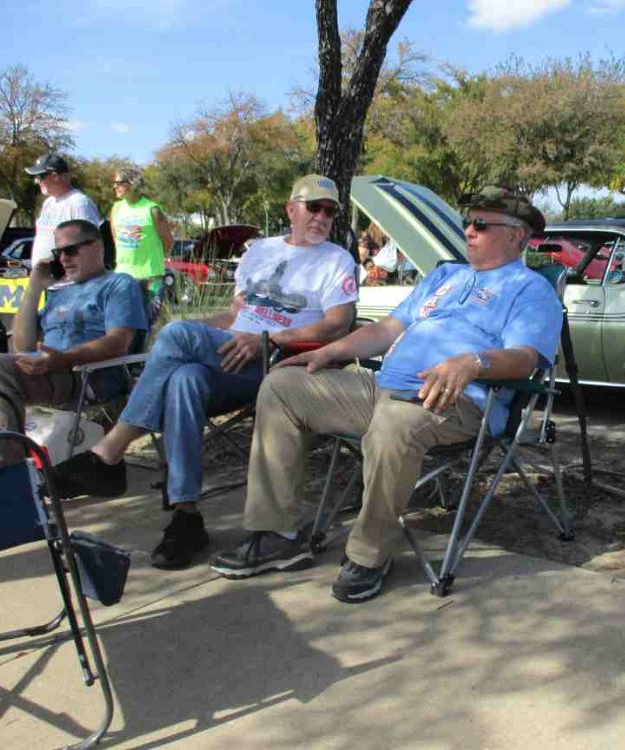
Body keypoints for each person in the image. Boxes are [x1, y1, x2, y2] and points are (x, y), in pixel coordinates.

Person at [210, 186, 563, 604]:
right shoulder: (446, 277)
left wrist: (474, 362)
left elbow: (525, 358)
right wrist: (329, 352)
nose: (468, 230)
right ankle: (278, 534)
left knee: (394, 423)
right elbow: (386, 330)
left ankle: (369, 555)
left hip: (454, 401)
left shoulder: (530, 289)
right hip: (383, 389)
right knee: (282, 386)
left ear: (516, 236)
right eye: (468, 221)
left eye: (481, 225)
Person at [53, 174, 358, 570]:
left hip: (279, 362)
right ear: (290, 209)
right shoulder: (259, 252)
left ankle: (109, 453)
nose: (321, 217)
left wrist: (268, 339)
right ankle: (186, 517)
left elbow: (337, 325)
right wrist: (188, 332)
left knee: (177, 336)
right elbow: (235, 316)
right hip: (230, 355)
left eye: (329, 211)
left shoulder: (336, 260)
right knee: (184, 377)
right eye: (313, 207)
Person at [0, 220, 147, 476]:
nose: (64, 259)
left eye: (71, 250)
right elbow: (23, 345)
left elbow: (118, 342)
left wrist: (63, 358)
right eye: (58, 253)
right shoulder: (61, 293)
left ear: (98, 247)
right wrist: (34, 287)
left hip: (85, 375)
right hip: (44, 367)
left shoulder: (119, 284)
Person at [110, 167, 174, 310]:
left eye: (119, 183)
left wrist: (156, 259)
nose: (115, 186)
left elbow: (168, 241)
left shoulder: (152, 209)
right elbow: (116, 238)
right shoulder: (116, 208)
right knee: (126, 320)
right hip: (123, 276)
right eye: (114, 183)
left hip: (149, 277)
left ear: (133, 183)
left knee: (151, 319)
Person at [25, 154, 102, 265]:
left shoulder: (79, 203)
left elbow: (90, 246)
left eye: (39, 176)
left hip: (66, 275)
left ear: (55, 176)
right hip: (43, 274)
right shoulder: (48, 203)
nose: (36, 181)